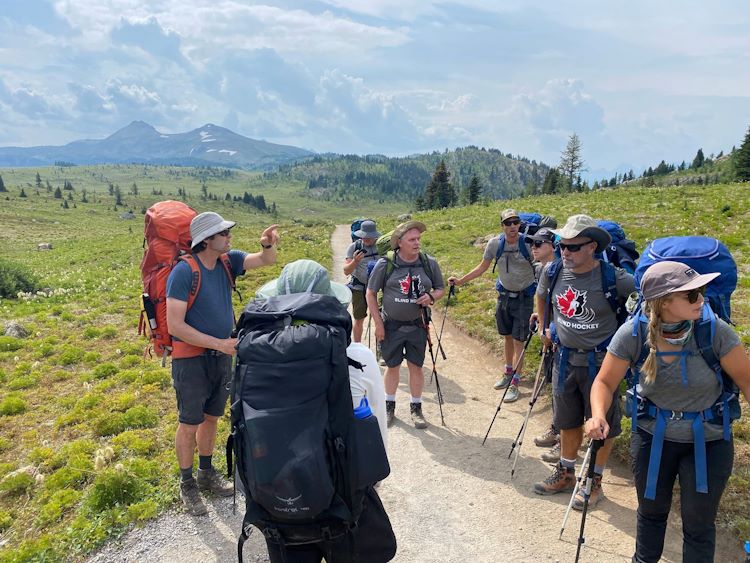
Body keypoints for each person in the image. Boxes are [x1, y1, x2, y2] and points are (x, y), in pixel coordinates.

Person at [586, 261, 750, 563]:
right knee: (650, 513)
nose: (702, 299)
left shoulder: (715, 333)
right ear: (663, 302)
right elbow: (605, 382)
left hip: (710, 441)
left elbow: (747, 381)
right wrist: (597, 414)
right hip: (652, 438)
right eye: (692, 294)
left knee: (699, 523)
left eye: (701, 291)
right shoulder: (633, 334)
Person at [254, 259, 396, 563]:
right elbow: (377, 429)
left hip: (279, 500)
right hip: (341, 499)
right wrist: (372, 483)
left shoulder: (256, 358)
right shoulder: (356, 356)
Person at [166, 211, 279, 515]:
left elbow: (266, 262)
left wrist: (267, 245)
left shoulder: (228, 262)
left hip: (220, 357)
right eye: (223, 233)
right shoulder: (183, 272)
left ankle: (206, 473)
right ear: (206, 240)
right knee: (189, 422)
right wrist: (219, 343)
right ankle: (187, 483)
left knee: (211, 417)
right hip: (190, 360)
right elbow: (174, 325)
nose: (229, 236)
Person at [532, 214, 634, 510]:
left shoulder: (613, 277)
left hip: (602, 363)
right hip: (563, 358)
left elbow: (644, 295)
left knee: (601, 424)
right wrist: (544, 328)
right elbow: (542, 297)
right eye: (562, 245)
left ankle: (594, 481)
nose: (565, 252)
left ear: (592, 246)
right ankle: (566, 473)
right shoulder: (551, 272)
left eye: (574, 247)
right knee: (567, 419)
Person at [448, 209, 536, 402]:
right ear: (502, 226)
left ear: (519, 224)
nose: (513, 226)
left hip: (524, 298)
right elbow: (482, 267)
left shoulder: (528, 244)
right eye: (508, 223)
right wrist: (461, 281)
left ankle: (515, 382)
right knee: (507, 336)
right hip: (504, 296)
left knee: (519, 340)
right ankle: (507, 372)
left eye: (515, 222)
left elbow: (543, 267)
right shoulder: (495, 244)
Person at [366, 220, 445, 429]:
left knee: (416, 367)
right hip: (390, 324)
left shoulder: (429, 263)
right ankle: (389, 406)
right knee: (392, 366)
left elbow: (440, 288)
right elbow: (370, 293)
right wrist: (378, 324)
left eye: (418, 238)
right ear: (399, 242)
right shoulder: (386, 264)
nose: (417, 243)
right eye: (412, 239)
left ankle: (416, 408)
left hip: (418, 324)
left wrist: (431, 297)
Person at [525, 227, 562, 462]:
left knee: (565, 390)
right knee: (556, 386)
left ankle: (563, 439)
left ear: (553, 246)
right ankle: (557, 428)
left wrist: (550, 328)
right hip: (552, 333)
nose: (534, 248)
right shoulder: (544, 269)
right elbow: (547, 300)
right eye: (532, 243)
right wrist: (541, 316)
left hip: (563, 337)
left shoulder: (562, 270)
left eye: (539, 243)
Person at [343, 220, 382, 343]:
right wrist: (355, 261)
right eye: (363, 236)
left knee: (381, 319)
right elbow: (346, 271)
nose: (366, 239)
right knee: (359, 319)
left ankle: (381, 349)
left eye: (369, 237)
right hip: (359, 287)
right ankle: (357, 346)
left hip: (379, 288)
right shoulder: (355, 247)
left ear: (375, 235)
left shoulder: (381, 246)